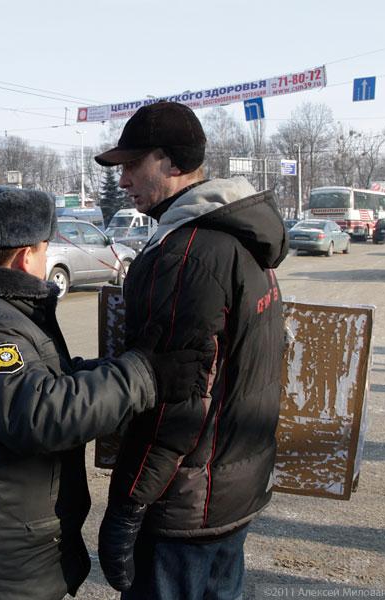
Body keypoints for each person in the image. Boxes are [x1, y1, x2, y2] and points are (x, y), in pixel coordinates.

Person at [0, 185, 213, 600]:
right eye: (44, 247)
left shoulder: (0, 309)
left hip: (7, 546)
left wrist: (118, 368)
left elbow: (51, 380)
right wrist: (142, 375)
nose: (46, 254)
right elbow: (41, 414)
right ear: (25, 257)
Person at [93, 101, 289, 600]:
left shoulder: (187, 254)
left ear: (173, 163)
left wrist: (127, 505)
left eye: (134, 164)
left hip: (184, 503)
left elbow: (177, 402)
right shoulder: (240, 239)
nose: (123, 178)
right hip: (231, 494)